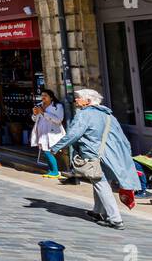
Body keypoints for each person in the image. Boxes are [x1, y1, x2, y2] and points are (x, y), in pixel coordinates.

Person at [48, 90, 137, 230]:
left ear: (88, 101)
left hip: (93, 154)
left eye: (78, 98)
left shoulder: (84, 114)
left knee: (100, 184)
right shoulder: (108, 115)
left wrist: (55, 147)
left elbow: (74, 134)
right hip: (109, 155)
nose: (76, 100)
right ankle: (97, 211)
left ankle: (115, 219)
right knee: (101, 182)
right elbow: (121, 137)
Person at [31, 89, 66, 180]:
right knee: (44, 151)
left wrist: (43, 112)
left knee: (48, 152)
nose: (43, 97)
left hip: (52, 132)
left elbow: (58, 120)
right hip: (42, 132)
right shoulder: (39, 105)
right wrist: (35, 114)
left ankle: (55, 171)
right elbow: (35, 119)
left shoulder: (57, 106)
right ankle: (50, 170)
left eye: (45, 95)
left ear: (51, 97)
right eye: (42, 95)